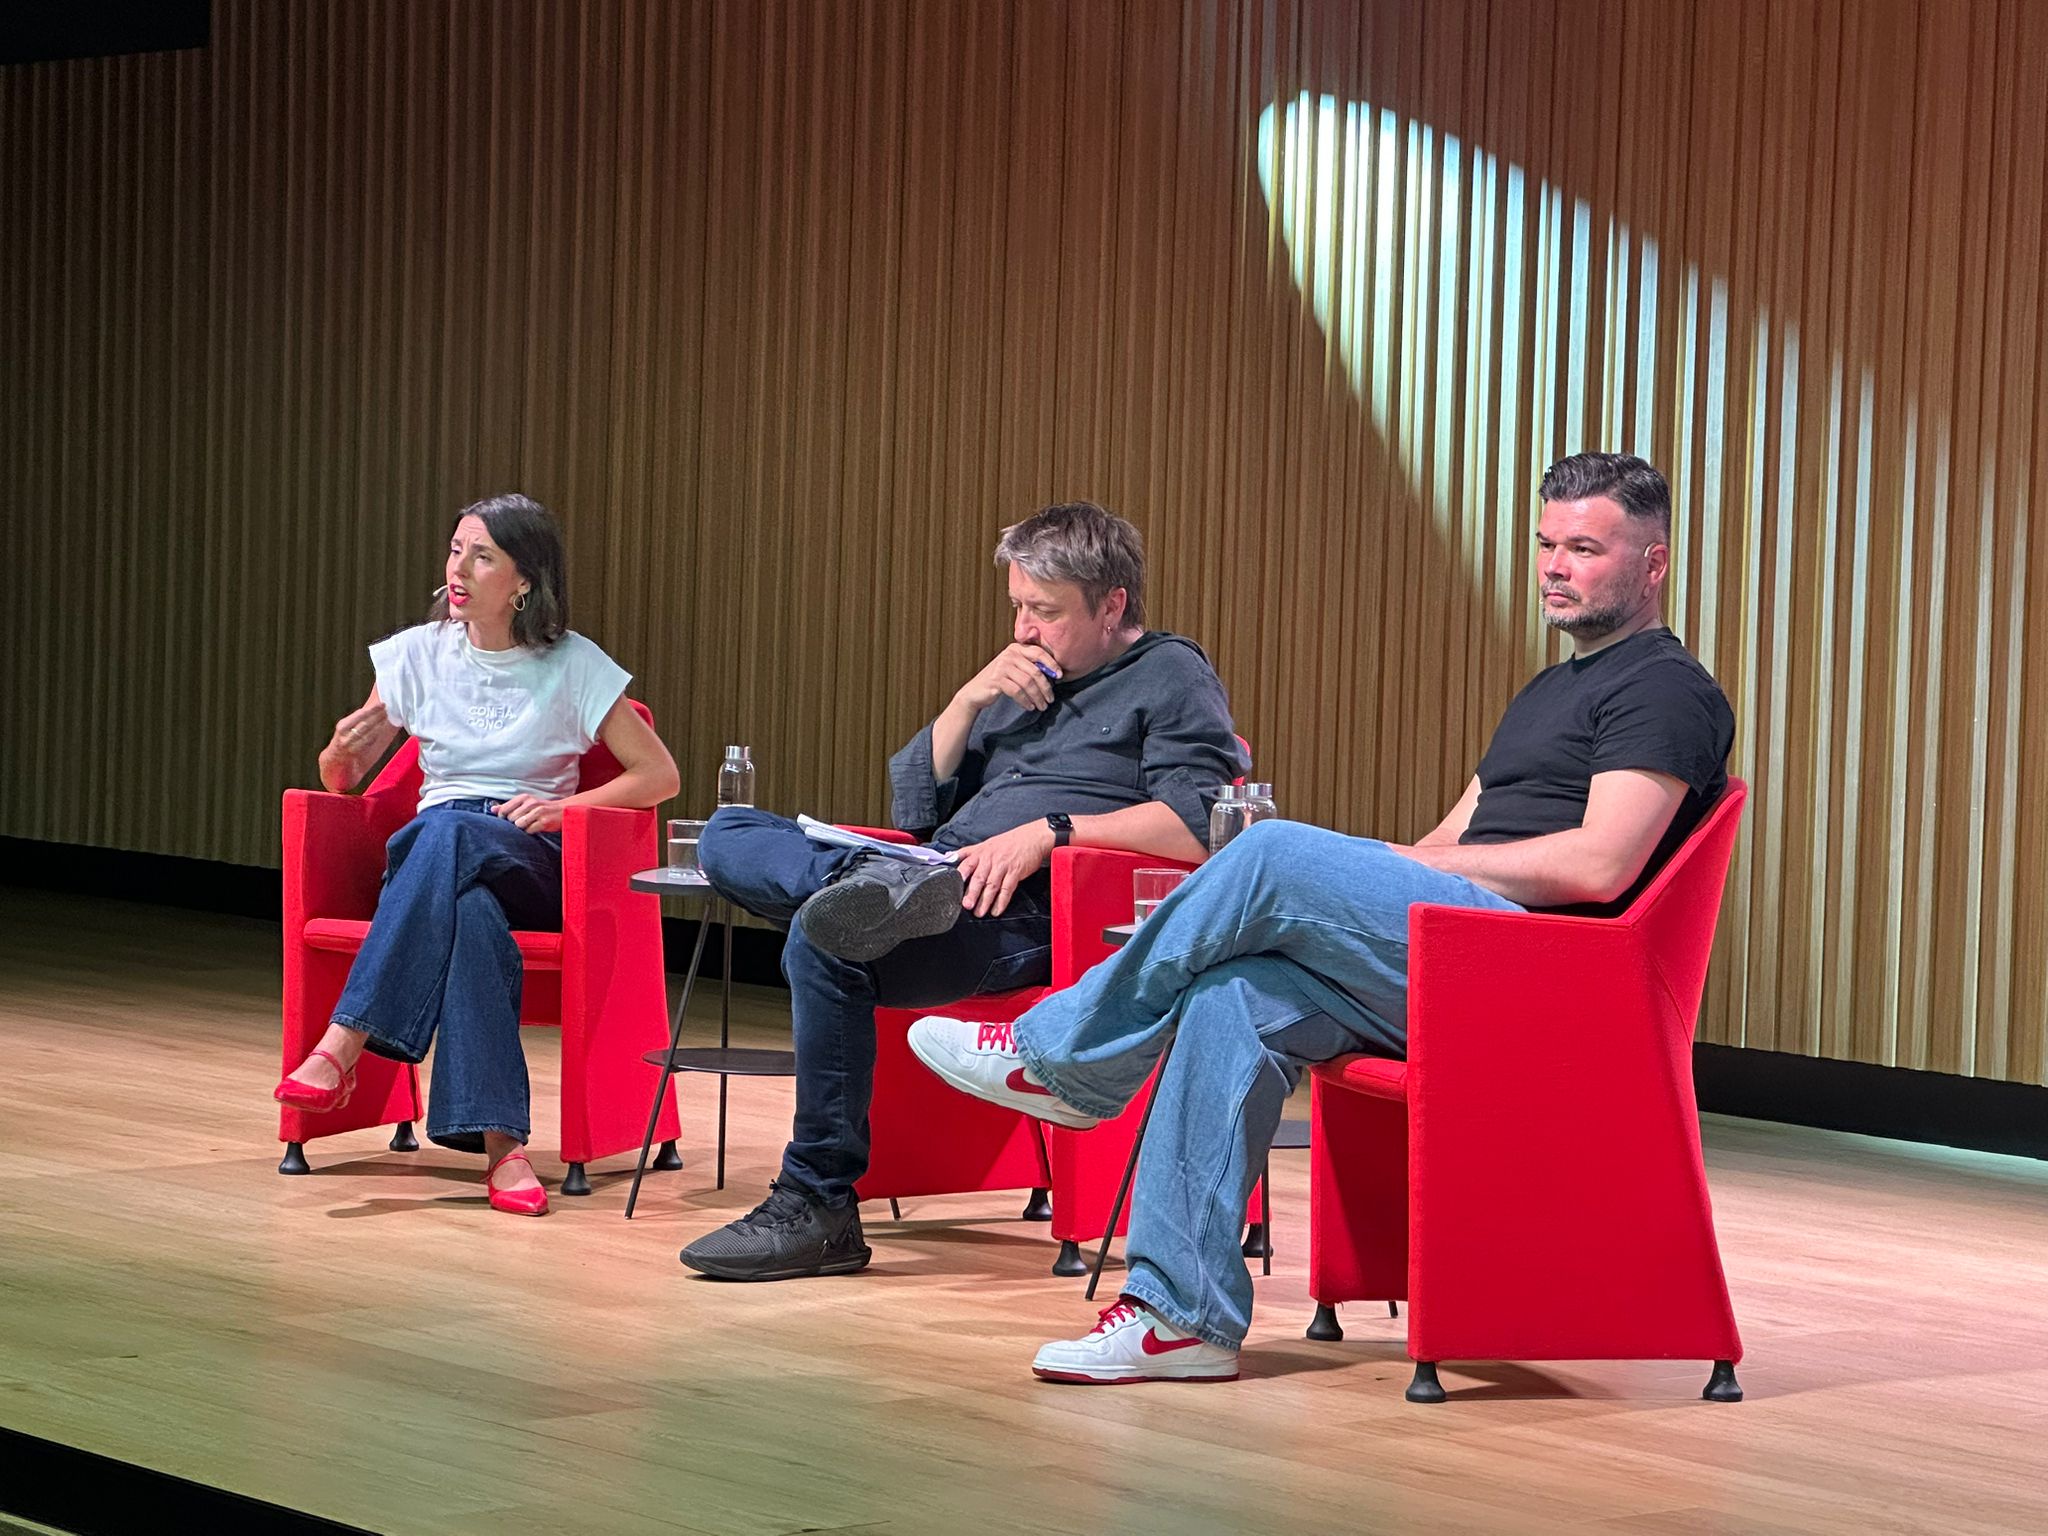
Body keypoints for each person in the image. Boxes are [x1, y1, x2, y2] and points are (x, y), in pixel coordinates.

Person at [907, 452, 1736, 1382]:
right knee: (1232, 995)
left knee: (1268, 848)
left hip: (1551, 983)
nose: (1554, 566)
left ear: (1653, 564)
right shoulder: (1549, 691)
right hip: (1461, 955)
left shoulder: (1664, 688)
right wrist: (1382, 866)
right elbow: (1450, 841)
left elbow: (1598, 865)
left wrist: (1381, 865)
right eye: (1547, 544)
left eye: (1584, 549)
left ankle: (1064, 1055)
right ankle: (1181, 1318)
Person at [678, 501, 1246, 1280]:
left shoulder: (1171, 673)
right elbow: (915, 808)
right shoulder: (1022, 678)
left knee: (825, 934)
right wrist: (968, 699)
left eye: (1045, 611)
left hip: (1025, 911)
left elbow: (1201, 823)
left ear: (1112, 604)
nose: (1023, 629)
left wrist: (1052, 832)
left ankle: (816, 1204)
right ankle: (864, 883)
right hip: (934, 874)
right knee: (730, 831)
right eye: (1017, 606)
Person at [273, 493, 680, 1216]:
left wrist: (567, 808)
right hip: (436, 849)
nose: (458, 569)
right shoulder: (415, 655)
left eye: (482, 556)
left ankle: (344, 1041)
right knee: (467, 907)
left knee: (448, 838)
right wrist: (337, 749)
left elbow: (659, 775)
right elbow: (342, 780)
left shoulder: (573, 663)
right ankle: (503, 1149)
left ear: (524, 580)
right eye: (456, 550)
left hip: (535, 853)